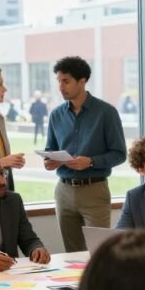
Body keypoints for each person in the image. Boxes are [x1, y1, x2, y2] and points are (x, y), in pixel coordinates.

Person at [43, 56, 127, 252]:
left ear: (82, 81)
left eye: (66, 81)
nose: (61, 87)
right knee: (71, 254)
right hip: (63, 192)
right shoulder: (56, 114)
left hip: (94, 191)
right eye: (58, 81)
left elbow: (120, 154)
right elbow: (50, 149)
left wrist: (90, 162)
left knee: (99, 252)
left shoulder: (106, 113)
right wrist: (49, 161)